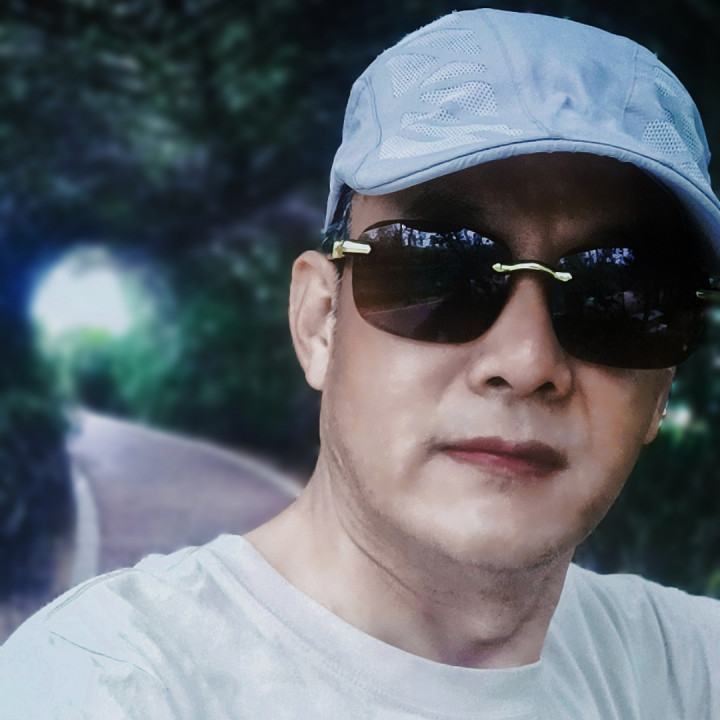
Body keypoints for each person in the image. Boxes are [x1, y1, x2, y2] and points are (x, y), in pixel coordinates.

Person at [1, 8, 719, 718]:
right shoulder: (110, 685)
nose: (527, 360)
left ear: (663, 389)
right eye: (437, 272)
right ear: (319, 321)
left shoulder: (689, 672)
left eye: (619, 297)